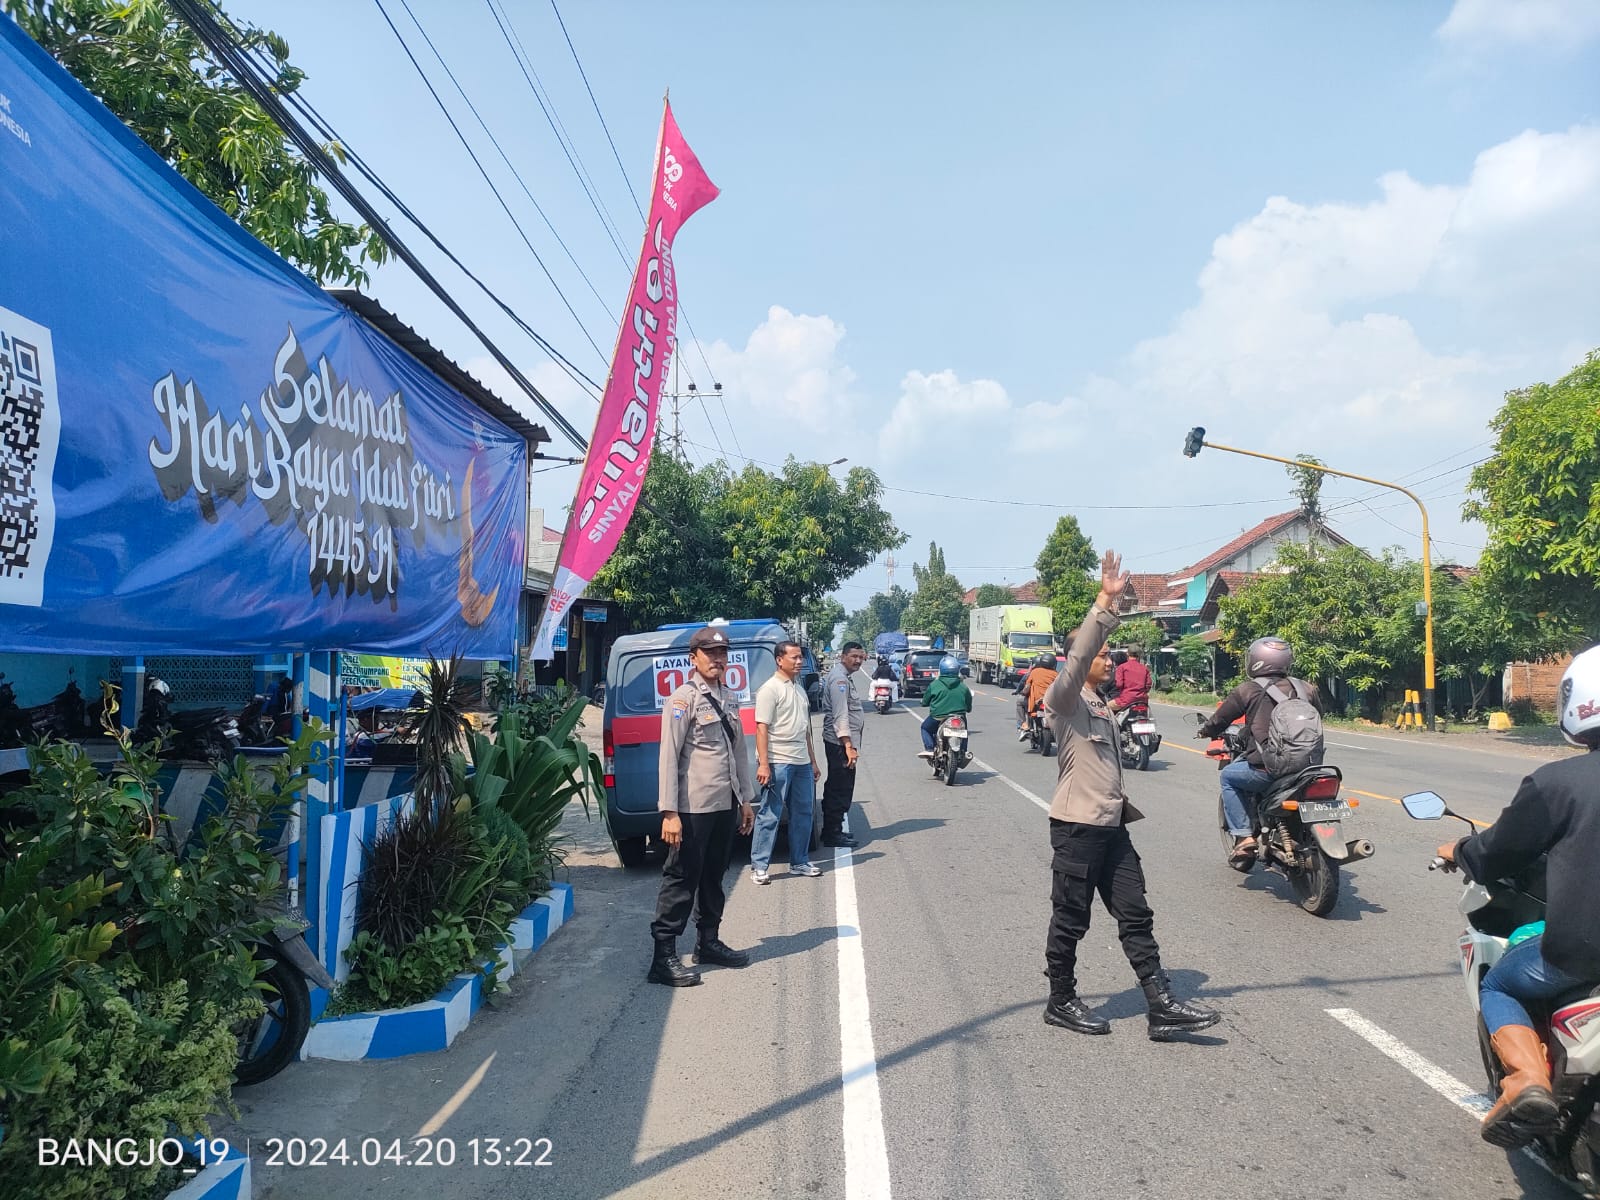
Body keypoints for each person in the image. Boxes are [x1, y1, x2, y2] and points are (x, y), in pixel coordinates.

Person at [1041, 550, 1219, 1041]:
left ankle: (1161, 1005)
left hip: (1112, 824)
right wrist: (1103, 602)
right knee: (1072, 918)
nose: (1106, 660)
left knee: (1135, 912)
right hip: (1077, 827)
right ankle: (1060, 999)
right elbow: (1078, 659)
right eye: (1101, 655)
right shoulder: (1066, 699)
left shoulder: (1099, 703)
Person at [1434, 646, 1600, 1148]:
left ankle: (1527, 1081)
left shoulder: (1560, 782)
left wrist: (1460, 850)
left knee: (1502, 985)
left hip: (1583, 953)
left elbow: (1494, 854)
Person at [648, 626, 757, 987]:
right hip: (692, 808)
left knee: (714, 877)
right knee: (681, 880)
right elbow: (668, 757)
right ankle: (663, 958)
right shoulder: (682, 699)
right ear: (693, 658)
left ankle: (708, 942)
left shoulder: (729, 697)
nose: (718, 659)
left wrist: (745, 799)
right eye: (710, 654)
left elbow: (738, 752)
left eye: (722, 654)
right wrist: (669, 812)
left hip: (724, 804)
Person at [1196, 637, 1325, 863]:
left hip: (1268, 770)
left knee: (1228, 777)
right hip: (1309, 768)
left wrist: (1205, 731)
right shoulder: (1306, 688)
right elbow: (1319, 716)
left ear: (1255, 660)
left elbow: (1220, 719)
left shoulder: (1248, 690)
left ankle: (1244, 837)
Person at [750, 640, 823, 884]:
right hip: (778, 760)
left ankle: (799, 861)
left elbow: (805, 731)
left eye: (801, 657)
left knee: (803, 813)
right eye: (794, 657)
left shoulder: (799, 688)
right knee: (770, 814)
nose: (799, 661)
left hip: (801, 761)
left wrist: (812, 762)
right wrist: (763, 764)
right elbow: (762, 728)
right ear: (779, 660)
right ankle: (759, 866)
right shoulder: (769, 689)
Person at [821, 641, 867, 848]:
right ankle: (832, 833)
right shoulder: (840, 679)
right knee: (840, 788)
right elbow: (841, 715)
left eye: (860, 657)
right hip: (840, 744)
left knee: (840, 786)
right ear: (843, 657)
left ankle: (835, 829)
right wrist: (848, 746)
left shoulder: (844, 677)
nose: (858, 660)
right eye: (853, 656)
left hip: (841, 743)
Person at [918, 656, 973, 758]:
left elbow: (925, 701)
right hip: (959, 717)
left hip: (938, 717)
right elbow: (969, 705)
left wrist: (923, 703)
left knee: (925, 728)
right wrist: (968, 709)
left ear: (941, 669)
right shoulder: (963, 687)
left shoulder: (934, 685)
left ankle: (930, 749)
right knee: (963, 731)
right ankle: (964, 751)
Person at [1016, 652, 1058, 741]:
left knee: (1019, 702)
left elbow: (1027, 687)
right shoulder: (1056, 674)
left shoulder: (1034, 672)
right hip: (1052, 703)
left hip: (1035, 702)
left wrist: (1023, 693)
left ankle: (1024, 725)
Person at [1109, 647, 1152, 714]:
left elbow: (1119, 684)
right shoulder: (1144, 668)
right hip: (1142, 701)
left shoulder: (1122, 667)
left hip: (1126, 700)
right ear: (1139, 655)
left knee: (1106, 707)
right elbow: (1148, 685)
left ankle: (1113, 724)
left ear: (1127, 654)